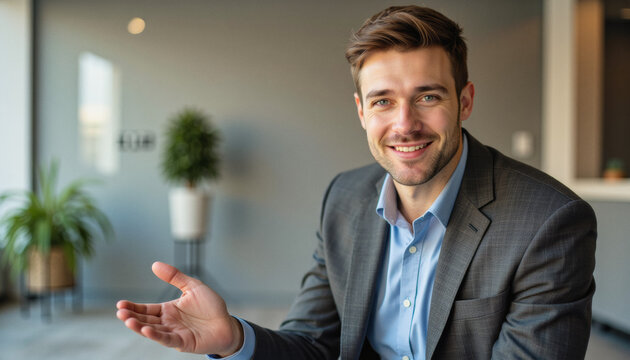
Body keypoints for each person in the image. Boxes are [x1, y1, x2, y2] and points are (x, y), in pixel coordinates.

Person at [116, 5, 597, 359]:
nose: (405, 124)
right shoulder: (343, 200)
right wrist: (234, 339)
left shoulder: (548, 221)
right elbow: (314, 344)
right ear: (361, 110)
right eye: (383, 101)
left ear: (465, 101)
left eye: (427, 96)